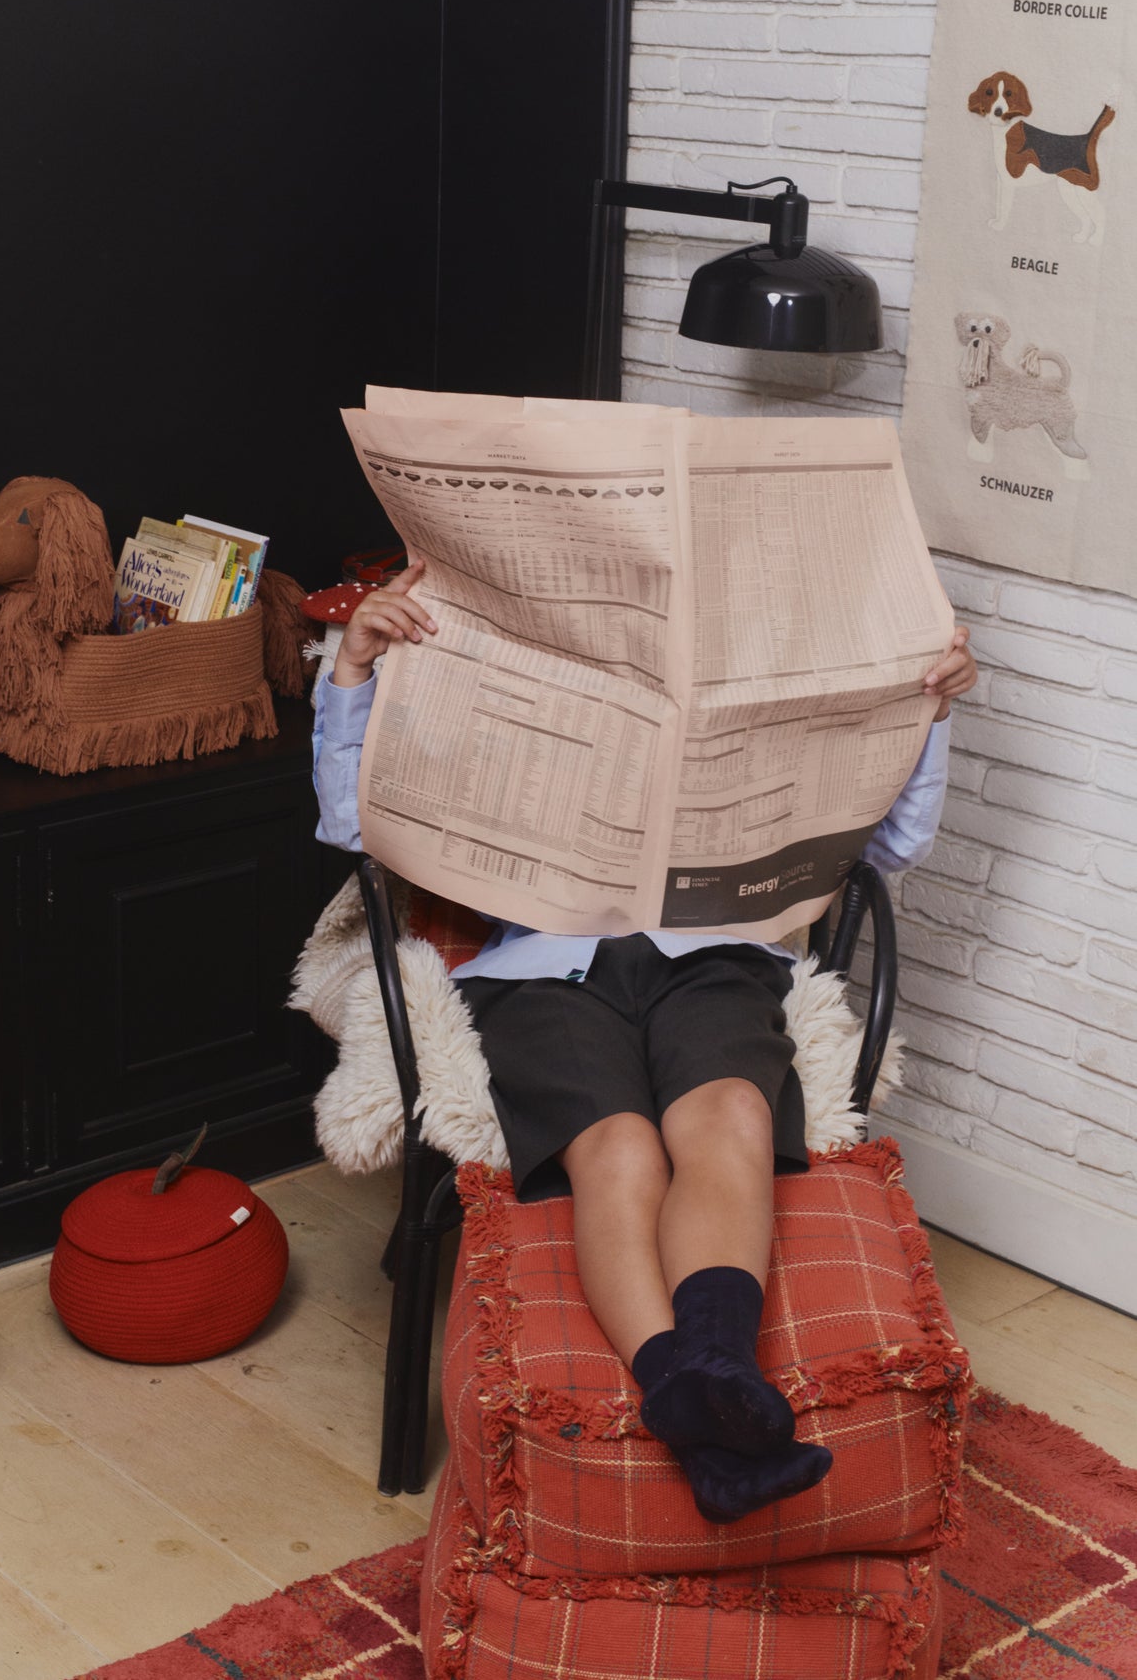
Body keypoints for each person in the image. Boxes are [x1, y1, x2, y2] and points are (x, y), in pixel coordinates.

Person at [314, 561, 978, 1524]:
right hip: (541, 965)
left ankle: (705, 1373)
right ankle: (695, 1396)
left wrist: (929, 709)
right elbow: (351, 825)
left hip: (710, 948)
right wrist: (354, 670)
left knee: (734, 1112)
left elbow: (887, 851)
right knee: (618, 1150)